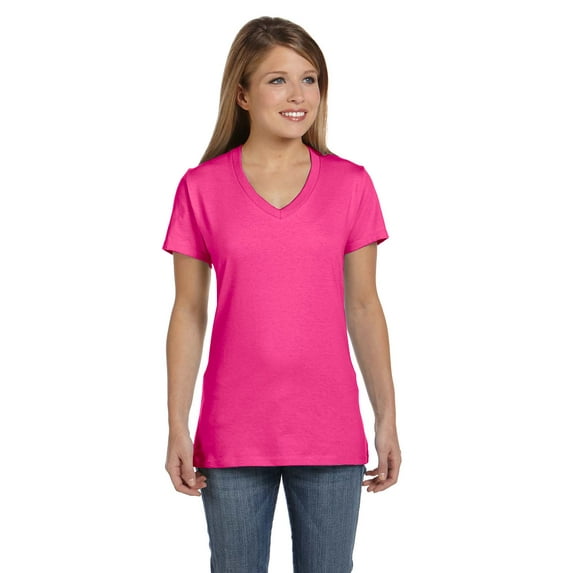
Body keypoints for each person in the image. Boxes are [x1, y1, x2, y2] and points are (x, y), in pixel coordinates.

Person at [162, 16, 401, 573]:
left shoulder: (351, 184)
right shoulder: (201, 187)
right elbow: (189, 312)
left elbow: (364, 306)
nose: (299, 95)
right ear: (242, 94)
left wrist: (386, 416)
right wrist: (177, 423)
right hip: (232, 431)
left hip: (329, 429)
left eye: (309, 79)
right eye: (278, 80)